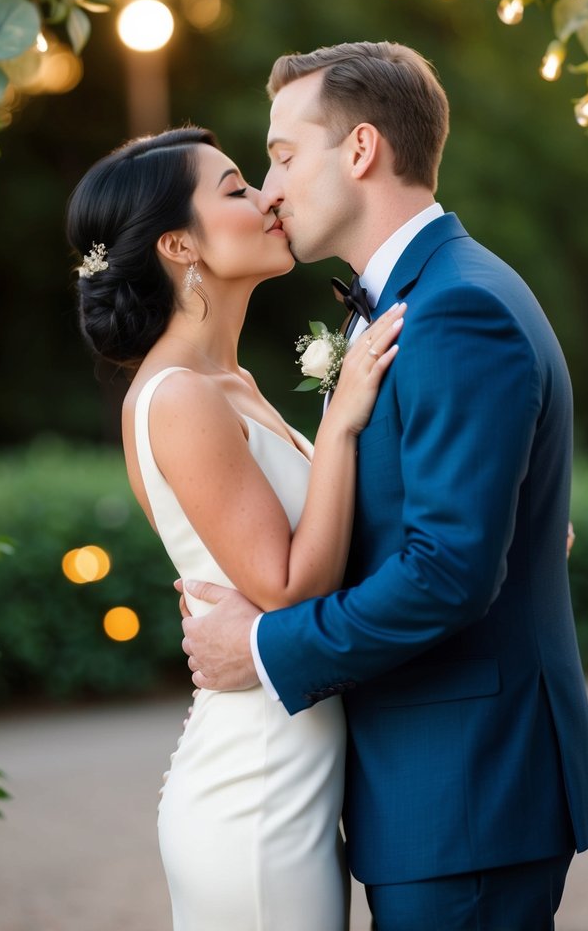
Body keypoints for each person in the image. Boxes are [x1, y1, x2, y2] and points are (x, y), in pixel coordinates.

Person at [180, 41, 588, 931]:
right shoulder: (426, 297)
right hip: (443, 792)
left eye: (284, 155)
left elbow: (450, 571)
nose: (269, 186)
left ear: (363, 150)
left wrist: (261, 649)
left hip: (465, 794)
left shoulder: (457, 309)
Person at [65, 127, 406, 931]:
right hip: (255, 796)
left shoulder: (233, 381)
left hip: (296, 773)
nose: (267, 197)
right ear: (180, 243)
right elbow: (291, 585)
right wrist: (341, 426)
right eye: (234, 190)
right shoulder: (179, 396)